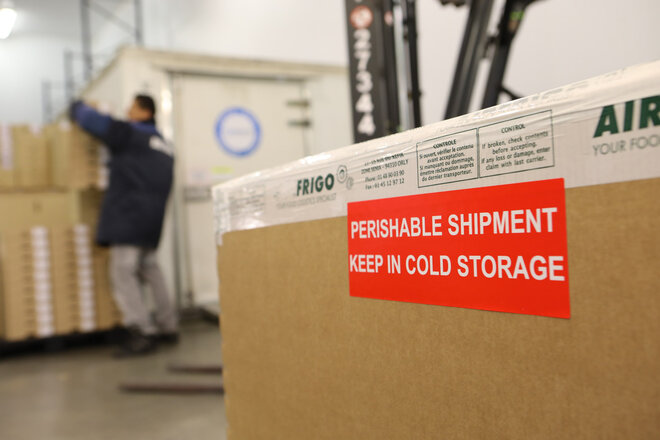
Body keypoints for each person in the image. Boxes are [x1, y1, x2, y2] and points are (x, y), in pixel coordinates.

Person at [70, 95, 178, 357]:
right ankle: (168, 326)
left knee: (122, 271)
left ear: (145, 112)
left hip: (129, 216)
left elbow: (93, 121)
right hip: (152, 220)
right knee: (150, 268)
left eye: (132, 107)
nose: (128, 112)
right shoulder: (165, 145)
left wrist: (76, 107)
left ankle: (142, 331)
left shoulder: (130, 134)